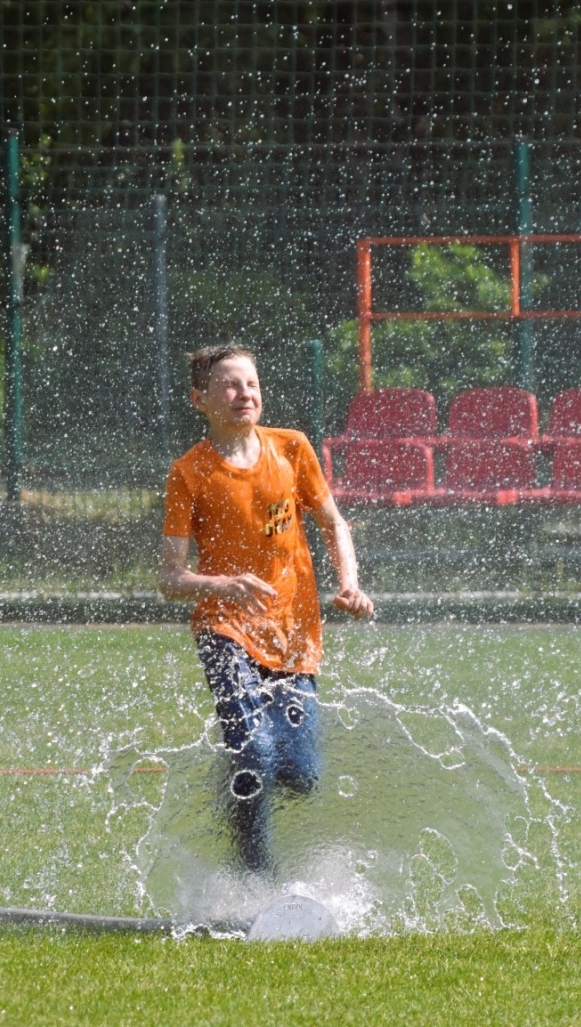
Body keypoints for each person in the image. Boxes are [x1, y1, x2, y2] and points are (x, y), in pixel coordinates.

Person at [159, 344, 373, 874]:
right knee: (255, 753)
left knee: (300, 774)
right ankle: (253, 873)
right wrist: (224, 582)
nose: (243, 394)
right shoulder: (189, 473)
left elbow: (333, 524)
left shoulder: (292, 449)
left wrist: (349, 582)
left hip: (295, 634)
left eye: (251, 384)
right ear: (200, 399)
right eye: (229, 385)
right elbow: (170, 578)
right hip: (224, 629)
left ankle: (235, 773)